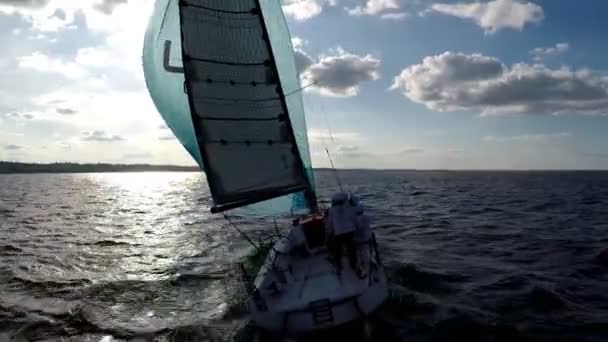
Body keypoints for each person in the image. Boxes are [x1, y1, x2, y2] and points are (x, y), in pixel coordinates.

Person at [326, 192, 358, 274]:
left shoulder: (331, 210)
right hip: (350, 232)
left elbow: (330, 223)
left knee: (338, 251)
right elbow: (354, 219)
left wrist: (329, 233)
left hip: (339, 233)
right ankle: (354, 266)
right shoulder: (349, 208)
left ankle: (339, 266)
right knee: (352, 251)